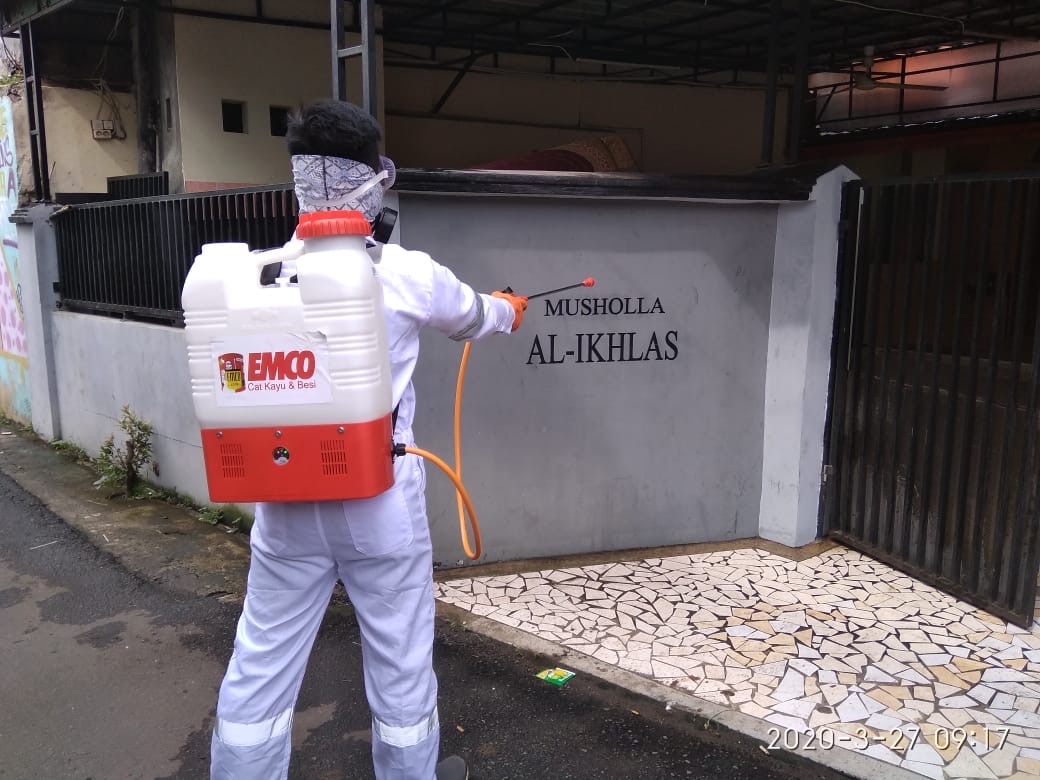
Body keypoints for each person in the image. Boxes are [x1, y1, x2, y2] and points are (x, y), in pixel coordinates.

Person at [209, 99, 529, 780]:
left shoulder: (248, 277)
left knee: (261, 660)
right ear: (370, 177)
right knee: (401, 660)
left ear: (298, 181)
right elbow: (477, 315)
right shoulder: (406, 272)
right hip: (380, 502)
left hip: (285, 500)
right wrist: (511, 309)